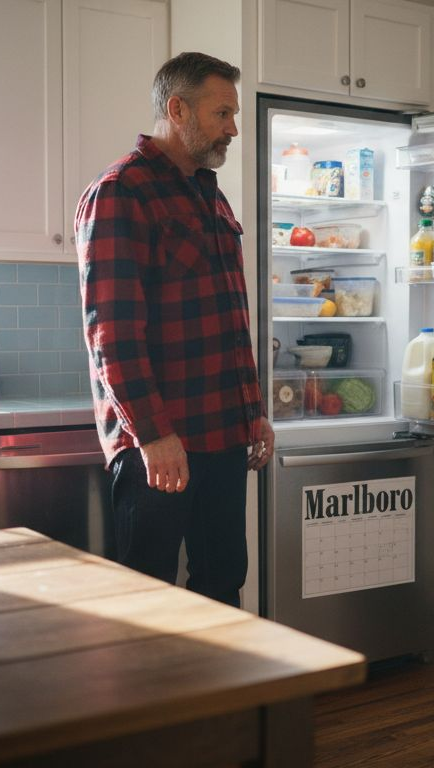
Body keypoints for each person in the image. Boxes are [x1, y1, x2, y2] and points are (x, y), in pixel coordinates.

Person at [74, 52, 273, 608]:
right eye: (222, 113)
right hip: (159, 442)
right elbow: (110, 333)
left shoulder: (209, 193)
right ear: (177, 108)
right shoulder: (121, 192)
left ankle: (217, 698)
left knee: (222, 582)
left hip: (224, 435)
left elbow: (229, 317)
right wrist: (153, 436)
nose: (234, 127)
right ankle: (154, 698)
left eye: (234, 115)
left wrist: (251, 410)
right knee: (148, 598)